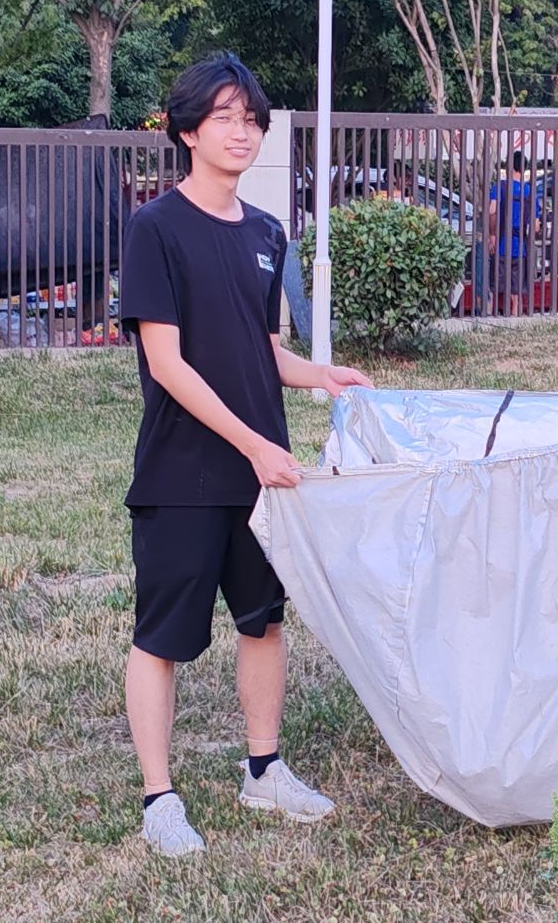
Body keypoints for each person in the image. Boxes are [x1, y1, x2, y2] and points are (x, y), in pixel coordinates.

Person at [118, 52, 373, 858]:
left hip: (264, 474)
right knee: (162, 636)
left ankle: (264, 770)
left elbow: (262, 350)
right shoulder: (155, 229)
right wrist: (254, 443)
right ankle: (159, 799)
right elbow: (168, 364)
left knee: (263, 622)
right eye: (224, 117)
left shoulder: (267, 234)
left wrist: (319, 375)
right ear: (187, 131)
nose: (241, 131)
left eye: (251, 119)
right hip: (183, 472)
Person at [486, 151, 535, 316]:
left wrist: (492, 235)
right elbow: (535, 226)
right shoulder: (529, 191)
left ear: (510, 167)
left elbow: (492, 211)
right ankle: (515, 319)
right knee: (517, 293)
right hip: (521, 248)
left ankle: (491, 318)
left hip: (501, 245)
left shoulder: (500, 187)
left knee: (494, 287)